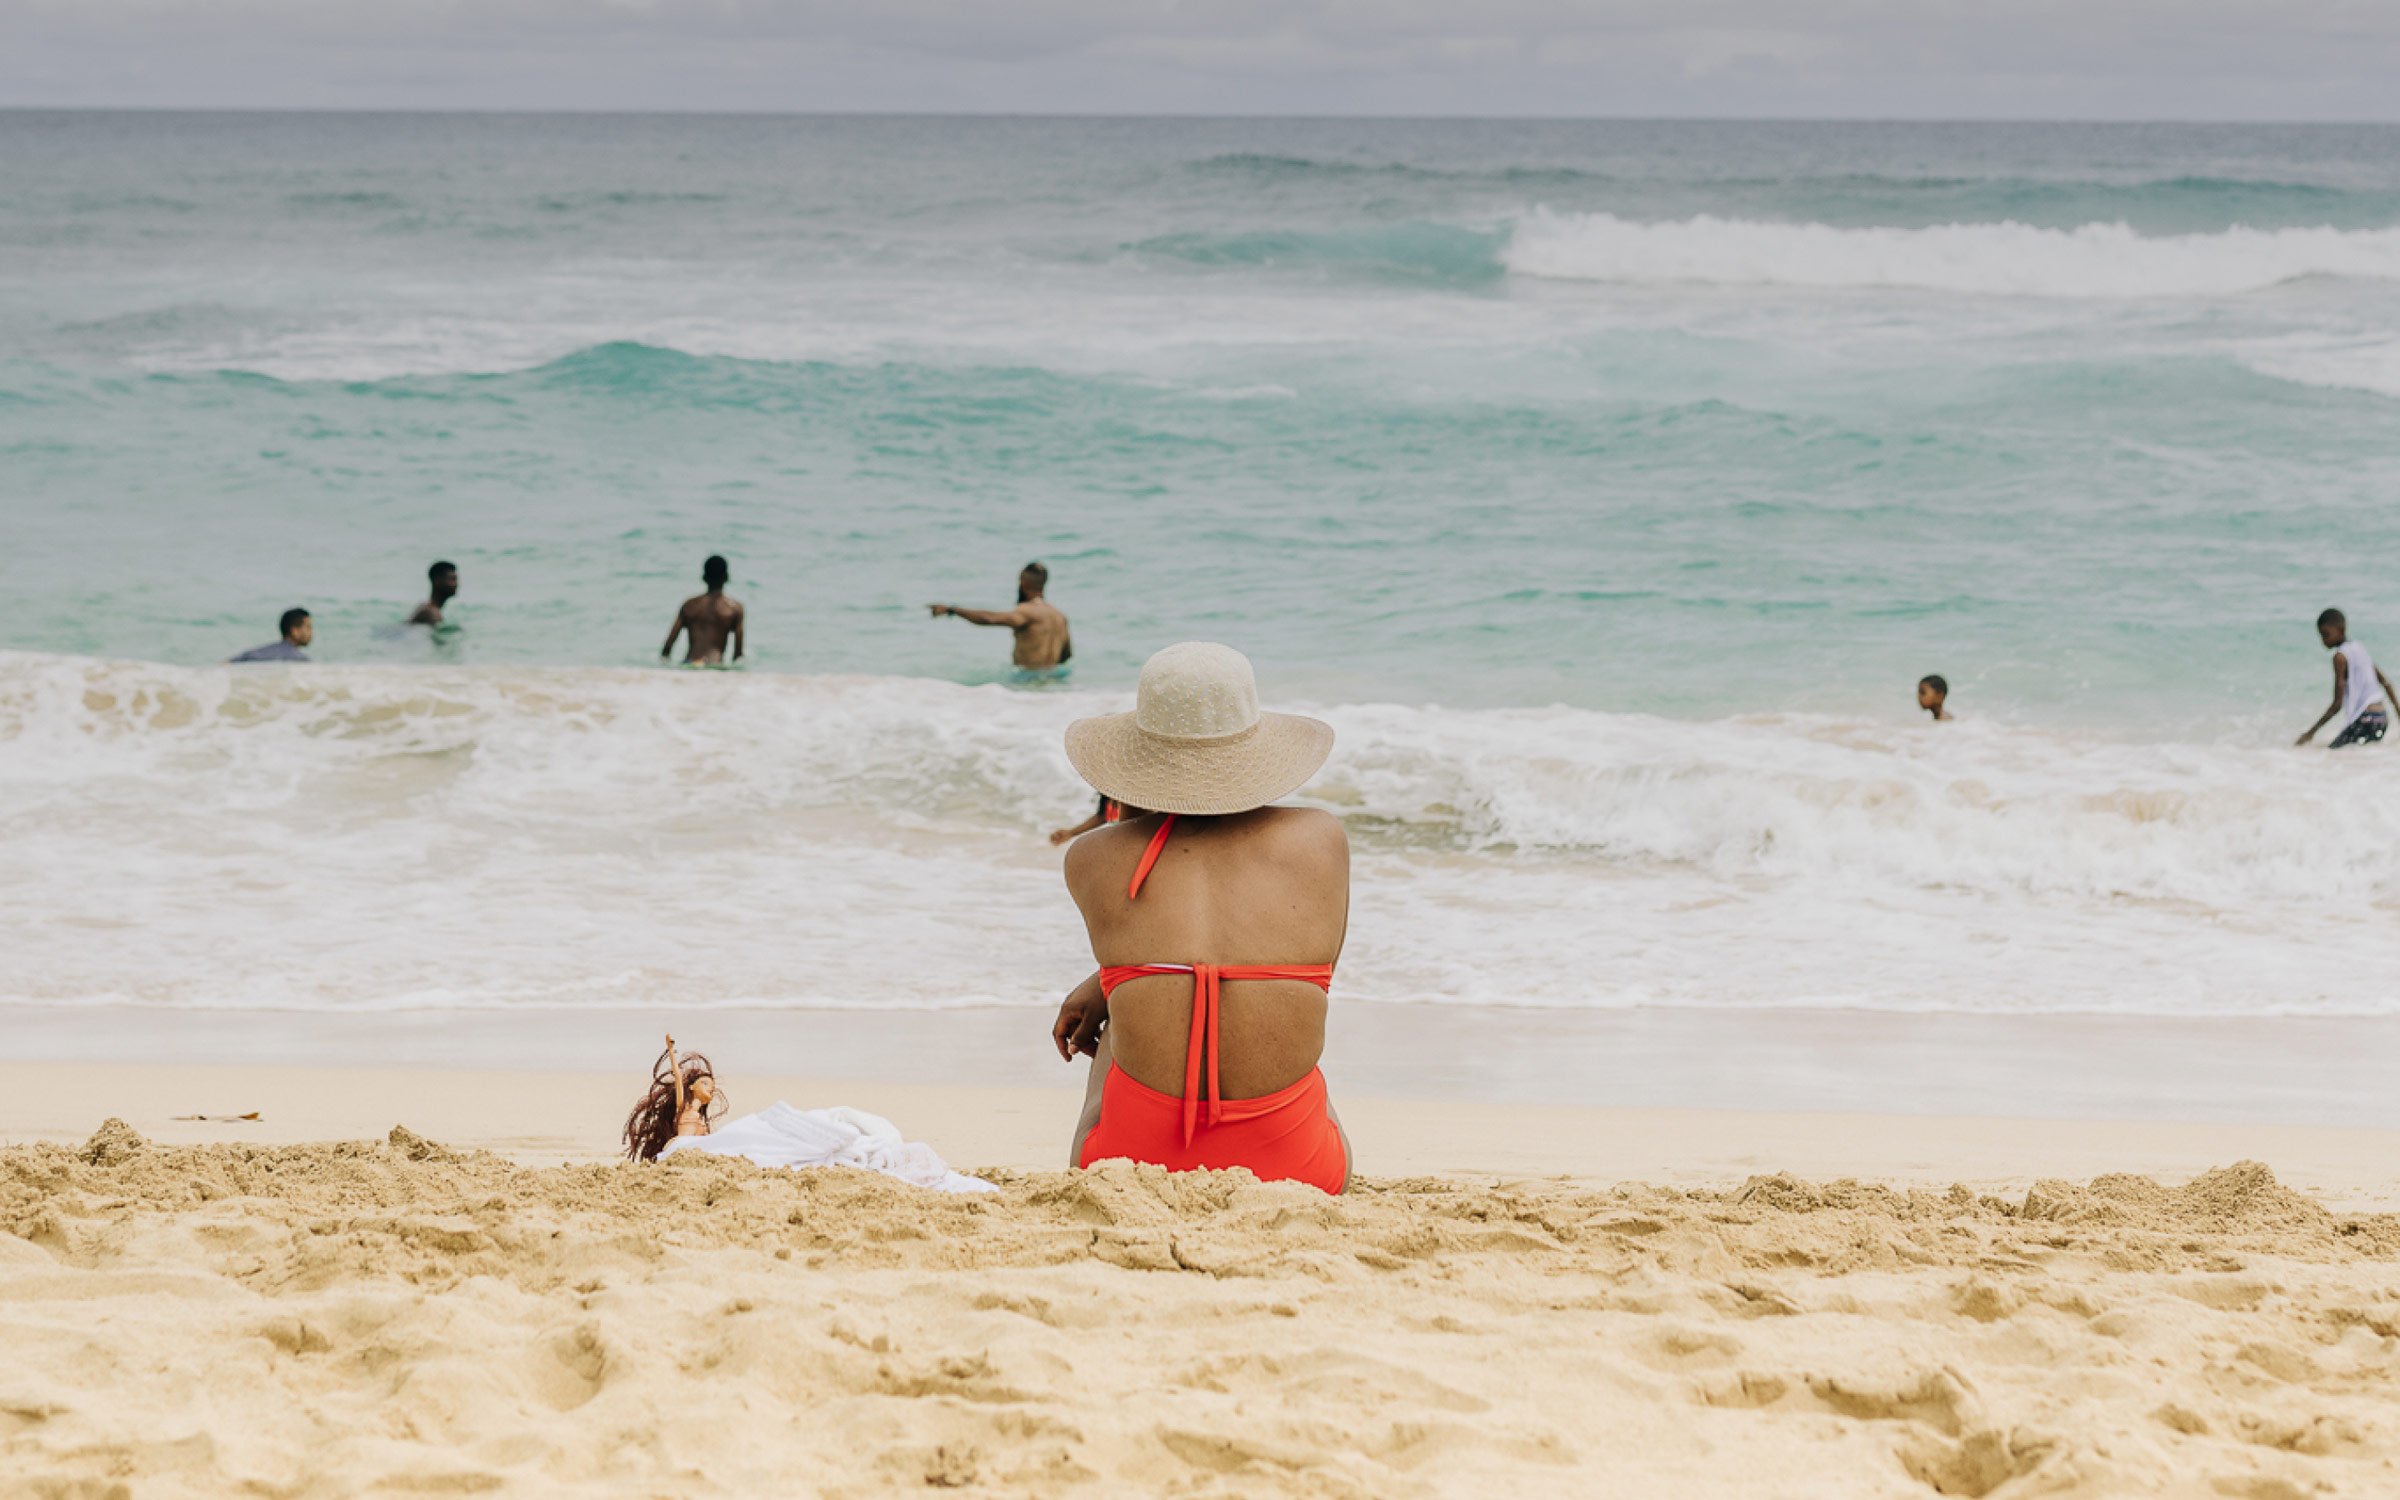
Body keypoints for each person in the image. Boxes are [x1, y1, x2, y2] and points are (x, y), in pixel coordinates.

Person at [1049, 642, 1350, 1194]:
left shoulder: (1090, 858)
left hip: (1126, 1170)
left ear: (1138, 753)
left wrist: (1105, 984)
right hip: (1301, 1175)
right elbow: (1311, 960)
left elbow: (1157, 938)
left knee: (1124, 1008)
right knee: (1291, 1006)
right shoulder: (1321, 840)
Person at [928, 561, 1072, 673]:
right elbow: (1066, 656)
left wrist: (952, 610)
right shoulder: (1059, 616)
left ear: (1023, 583)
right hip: (1053, 682)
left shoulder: (1026, 611)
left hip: (1028, 681)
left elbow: (989, 619)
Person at [2296, 608, 2394, 749]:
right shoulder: (2359, 648)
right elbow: (2386, 683)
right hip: (2381, 719)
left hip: (2366, 719)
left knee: (2330, 755)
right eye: (2321, 635)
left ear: (2341, 630)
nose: (2323, 640)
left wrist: (2310, 733)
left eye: (2326, 634)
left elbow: (2337, 704)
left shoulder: (2340, 657)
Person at [661, 554, 746, 666]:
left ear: (704, 577)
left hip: (689, 663)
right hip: (714, 664)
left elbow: (668, 646)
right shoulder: (734, 609)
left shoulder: (689, 605)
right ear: (726, 577)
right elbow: (738, 654)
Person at [1049, 793, 1145, 846]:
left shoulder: (1134, 796)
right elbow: (1104, 816)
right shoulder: (1110, 792)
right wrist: (1071, 832)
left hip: (1135, 847)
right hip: (1122, 845)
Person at [229, 608, 313, 663]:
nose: (311, 632)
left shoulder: (256, 653)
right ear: (294, 631)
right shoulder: (301, 660)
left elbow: (227, 664)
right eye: (308, 627)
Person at [407, 561, 458, 627]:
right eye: (452, 579)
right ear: (437, 580)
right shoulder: (432, 613)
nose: (456, 584)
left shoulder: (425, 606)